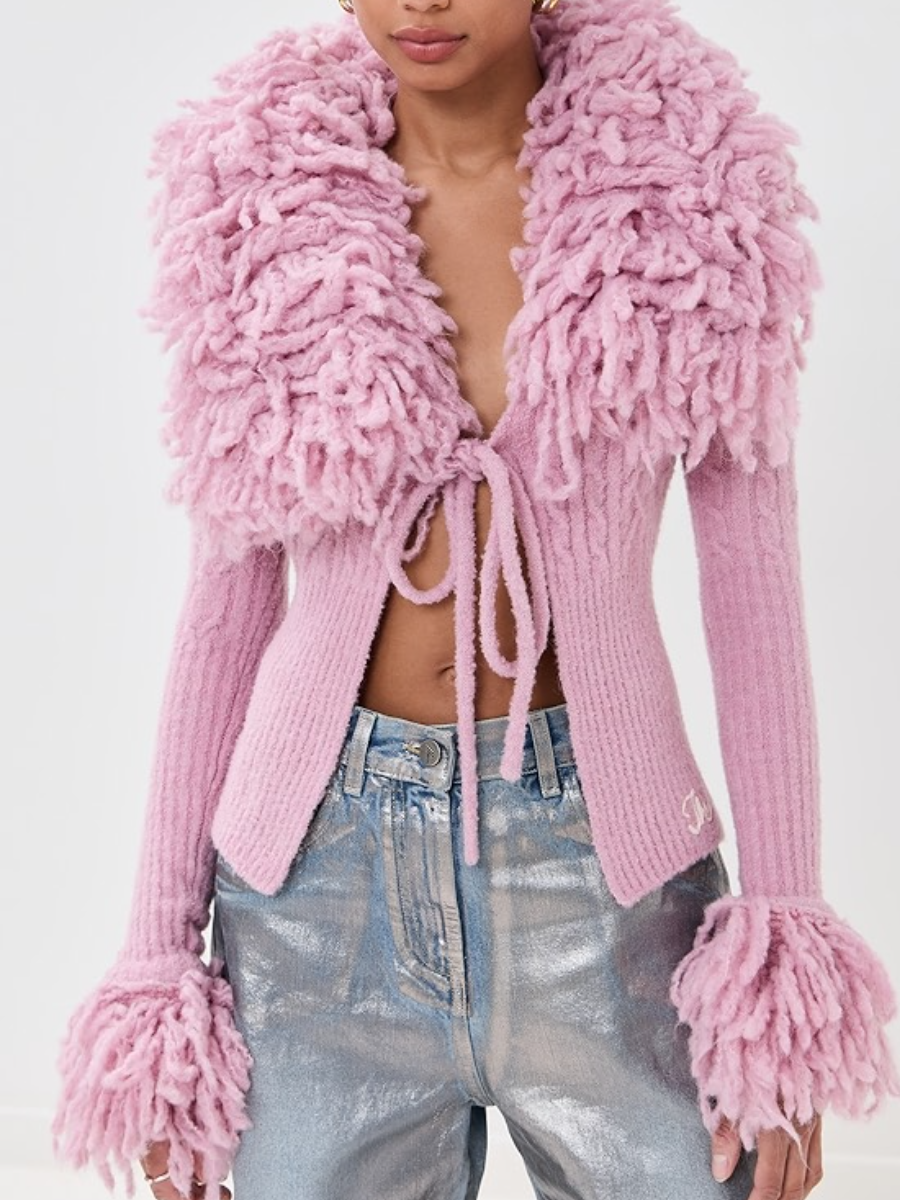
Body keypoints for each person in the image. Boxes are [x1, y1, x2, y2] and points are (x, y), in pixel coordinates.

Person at [52, 1, 898, 1198]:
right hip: (313, 902)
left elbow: (753, 586)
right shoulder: (260, 204)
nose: (422, 1)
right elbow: (224, 604)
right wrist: (156, 966)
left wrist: (782, 943)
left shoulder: (690, 192)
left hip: (608, 881)